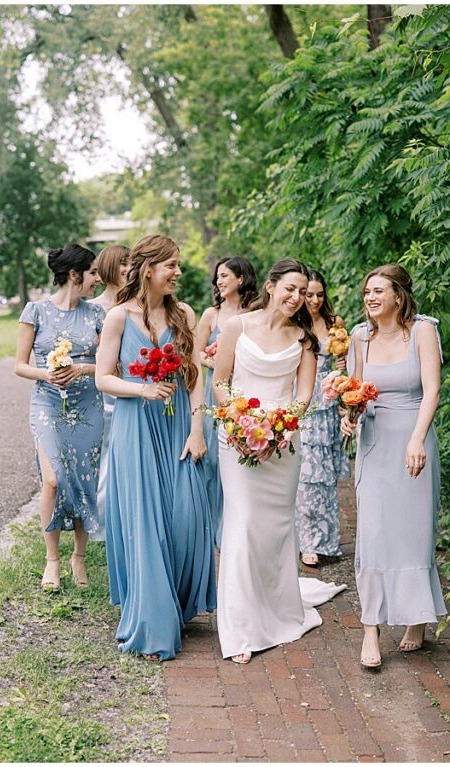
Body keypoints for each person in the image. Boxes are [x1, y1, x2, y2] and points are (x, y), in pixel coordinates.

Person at [212, 259, 344, 664]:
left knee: (277, 527)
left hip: (284, 441)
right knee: (244, 523)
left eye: (303, 292)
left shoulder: (304, 338)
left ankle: (279, 606)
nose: (296, 297)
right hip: (236, 437)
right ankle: (240, 629)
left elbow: (304, 396)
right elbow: (220, 381)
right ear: (270, 286)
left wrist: (280, 428)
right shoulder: (236, 327)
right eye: (290, 288)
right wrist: (239, 421)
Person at [96, 234, 215, 660]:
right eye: (172, 266)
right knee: (146, 523)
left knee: (186, 518)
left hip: (180, 422)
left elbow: (195, 376)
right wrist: (140, 390)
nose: (178, 273)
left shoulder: (184, 313)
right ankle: (152, 621)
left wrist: (197, 427)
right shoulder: (117, 318)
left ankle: (176, 604)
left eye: (178, 265)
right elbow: (102, 377)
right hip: (137, 425)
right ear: (148, 269)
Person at [343, 264, 445, 671]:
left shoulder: (422, 331)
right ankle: (371, 627)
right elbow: (354, 392)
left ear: (398, 296)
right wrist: (348, 416)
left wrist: (417, 438)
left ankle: (416, 617)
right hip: (373, 440)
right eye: (367, 291)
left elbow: (432, 389)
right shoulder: (358, 336)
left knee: (413, 529)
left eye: (379, 291)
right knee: (373, 531)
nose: (370, 297)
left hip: (412, 436)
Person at [14, 243, 104, 591]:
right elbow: (20, 366)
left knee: (84, 479)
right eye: (92, 272)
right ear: (74, 275)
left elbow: (112, 367)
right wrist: (46, 374)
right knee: (52, 480)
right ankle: (51, 560)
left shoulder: (97, 316)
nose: (97, 279)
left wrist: (81, 368)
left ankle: (78, 558)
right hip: (47, 405)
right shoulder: (34, 311)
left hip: (87, 407)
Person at [194, 257, 257, 548]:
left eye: (225, 276)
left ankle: (239, 528)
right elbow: (194, 354)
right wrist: (218, 362)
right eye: (217, 277)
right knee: (213, 461)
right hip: (215, 394)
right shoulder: (211, 314)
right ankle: (213, 530)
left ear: (240, 279)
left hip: (246, 392)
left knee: (243, 455)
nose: (219, 282)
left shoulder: (255, 312)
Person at [295, 268, 350, 567]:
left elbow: (345, 363)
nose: (314, 300)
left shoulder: (334, 323)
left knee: (326, 479)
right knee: (306, 478)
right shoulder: (294, 323)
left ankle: (328, 541)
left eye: (319, 294)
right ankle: (307, 542)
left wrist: (342, 365)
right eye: (308, 294)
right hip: (304, 402)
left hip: (328, 402)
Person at [90, 244, 130, 542]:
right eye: (123, 264)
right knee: (103, 455)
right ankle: (101, 524)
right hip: (101, 392)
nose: (130, 269)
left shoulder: (135, 306)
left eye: (132, 264)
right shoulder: (92, 309)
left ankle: (125, 515)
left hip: (130, 387)